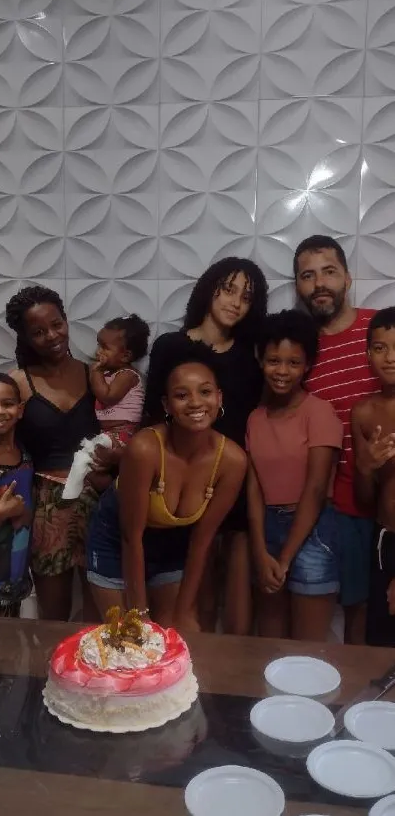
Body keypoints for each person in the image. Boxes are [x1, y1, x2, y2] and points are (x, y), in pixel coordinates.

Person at [143, 257, 267, 633]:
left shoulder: (248, 360)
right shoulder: (170, 345)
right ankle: (190, 680)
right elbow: (151, 419)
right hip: (178, 483)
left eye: (246, 297)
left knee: (232, 592)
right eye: (228, 290)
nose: (235, 302)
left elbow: (248, 427)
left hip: (229, 483)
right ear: (209, 289)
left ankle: (225, 683)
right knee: (189, 595)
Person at [87, 341, 247, 631]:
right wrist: (140, 614)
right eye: (182, 395)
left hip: (172, 545)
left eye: (206, 392)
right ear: (167, 405)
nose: (196, 403)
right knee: (128, 638)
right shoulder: (145, 449)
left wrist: (185, 610)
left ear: (219, 397)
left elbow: (202, 540)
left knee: (182, 633)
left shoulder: (232, 460)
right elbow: (130, 537)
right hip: (116, 541)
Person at [294, 235, 380, 643]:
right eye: (307, 276)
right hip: (339, 504)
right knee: (354, 613)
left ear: (348, 277)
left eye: (329, 271)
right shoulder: (300, 351)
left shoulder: (379, 330)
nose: (319, 283)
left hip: (391, 498)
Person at [5, 285, 103, 622]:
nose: (52, 335)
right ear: (26, 338)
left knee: (100, 609)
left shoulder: (95, 375)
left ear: (66, 320)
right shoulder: (18, 383)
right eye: (38, 331)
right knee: (53, 615)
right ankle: (54, 675)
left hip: (97, 498)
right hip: (46, 505)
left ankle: (95, 676)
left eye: (57, 324)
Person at [247, 310, 343, 641]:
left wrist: (285, 557)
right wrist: (260, 551)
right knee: (270, 646)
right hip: (266, 530)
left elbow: (316, 490)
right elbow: (255, 487)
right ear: (260, 359)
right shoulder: (256, 418)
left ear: (307, 365)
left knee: (307, 650)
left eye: (293, 362)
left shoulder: (319, 412)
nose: (282, 371)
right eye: (274, 360)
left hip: (313, 531)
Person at [351, 308, 395, 647]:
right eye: (380, 348)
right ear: (368, 354)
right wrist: (367, 467)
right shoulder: (363, 413)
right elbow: (365, 500)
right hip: (385, 540)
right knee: (381, 643)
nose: (390, 358)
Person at [0, 373, 33, 617]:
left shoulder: (24, 455)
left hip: (12, 579)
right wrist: (1, 514)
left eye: (7, 404)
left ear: (20, 409)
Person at [91, 314, 149, 446]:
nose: (98, 352)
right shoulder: (107, 374)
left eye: (104, 348)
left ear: (125, 356)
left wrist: (96, 371)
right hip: (107, 432)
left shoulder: (127, 375)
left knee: (89, 456)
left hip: (124, 432)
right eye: (98, 345)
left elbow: (107, 397)